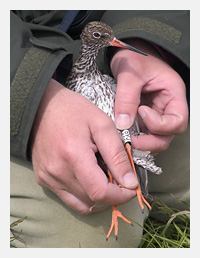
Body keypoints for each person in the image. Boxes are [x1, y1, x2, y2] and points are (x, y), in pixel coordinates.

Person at [10, 10, 189, 248]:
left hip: (109, 61)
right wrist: (33, 101)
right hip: (15, 70)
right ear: (91, 39)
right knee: (99, 240)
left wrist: (147, 38)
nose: (114, 42)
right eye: (102, 37)